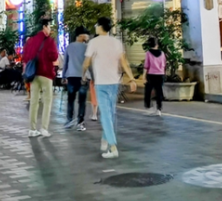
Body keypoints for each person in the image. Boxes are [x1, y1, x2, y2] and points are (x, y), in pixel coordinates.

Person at [82, 17, 137, 159]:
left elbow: (86, 62)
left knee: (106, 115)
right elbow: (124, 62)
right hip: (114, 82)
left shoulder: (93, 42)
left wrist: (82, 74)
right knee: (111, 113)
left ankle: (113, 147)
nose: (95, 27)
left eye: (96, 25)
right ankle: (105, 139)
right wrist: (131, 78)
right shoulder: (116, 42)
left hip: (101, 83)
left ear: (100, 27)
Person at [23, 18, 59, 138]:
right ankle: (44, 128)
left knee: (34, 101)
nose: (50, 29)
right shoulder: (49, 41)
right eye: (49, 27)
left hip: (33, 74)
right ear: (44, 27)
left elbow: (25, 57)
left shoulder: (31, 41)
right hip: (46, 73)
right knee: (47, 101)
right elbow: (54, 56)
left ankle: (32, 129)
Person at [62, 27, 89, 131]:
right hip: (83, 77)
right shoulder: (87, 48)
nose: (87, 37)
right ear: (81, 35)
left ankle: (69, 120)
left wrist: (64, 76)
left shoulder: (69, 47)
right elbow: (89, 64)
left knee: (70, 100)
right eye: (86, 35)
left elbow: (65, 63)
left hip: (71, 77)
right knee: (82, 101)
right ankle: (80, 122)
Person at [143, 36, 166, 117]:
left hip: (151, 75)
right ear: (157, 44)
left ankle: (149, 108)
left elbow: (146, 66)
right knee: (159, 92)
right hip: (160, 75)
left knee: (148, 92)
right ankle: (159, 109)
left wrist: (144, 76)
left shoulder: (148, 53)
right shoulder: (162, 53)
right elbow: (164, 65)